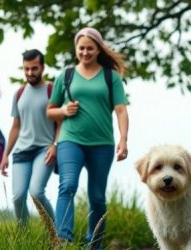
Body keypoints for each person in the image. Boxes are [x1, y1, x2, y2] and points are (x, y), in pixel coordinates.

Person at [47, 27, 129, 249]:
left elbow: (121, 110)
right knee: (68, 185)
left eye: (89, 48)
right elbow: (50, 110)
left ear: (98, 49)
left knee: (97, 196)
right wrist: (63, 111)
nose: (85, 52)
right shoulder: (66, 76)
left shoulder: (111, 77)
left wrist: (123, 139)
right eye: (81, 48)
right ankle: (63, 239)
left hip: (102, 144)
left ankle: (95, 243)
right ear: (76, 49)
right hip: (70, 140)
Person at [0, 49, 57, 228]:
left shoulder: (52, 89)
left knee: (37, 192)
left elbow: (61, 122)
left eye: (34, 68)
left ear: (42, 68)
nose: (30, 73)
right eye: (26, 69)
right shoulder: (19, 93)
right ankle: (23, 238)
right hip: (22, 151)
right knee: (17, 197)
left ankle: (55, 235)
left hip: (44, 149)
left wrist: (55, 144)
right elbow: (16, 126)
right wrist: (5, 154)